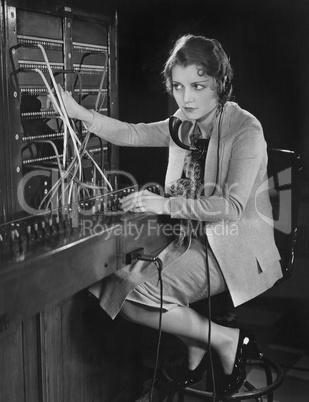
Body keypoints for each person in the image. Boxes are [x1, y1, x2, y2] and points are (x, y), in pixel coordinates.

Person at [53, 34, 282, 396]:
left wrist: (165, 205)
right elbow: (133, 133)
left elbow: (231, 208)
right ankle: (195, 345)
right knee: (110, 282)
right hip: (189, 238)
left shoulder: (245, 129)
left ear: (220, 84)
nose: (186, 97)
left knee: (133, 294)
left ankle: (226, 340)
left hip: (232, 250)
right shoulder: (184, 122)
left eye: (198, 85)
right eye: (178, 86)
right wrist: (82, 115)